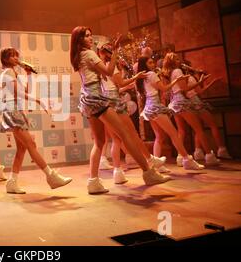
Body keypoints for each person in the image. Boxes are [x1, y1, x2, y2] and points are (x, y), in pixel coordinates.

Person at [70, 26, 170, 195]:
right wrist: (115, 52)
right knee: (124, 134)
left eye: (90, 35)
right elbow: (109, 71)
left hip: (87, 99)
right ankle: (148, 172)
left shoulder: (78, 55)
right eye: (86, 36)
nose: (90, 38)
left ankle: (93, 182)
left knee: (100, 142)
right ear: (79, 39)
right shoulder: (88, 54)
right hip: (96, 99)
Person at [0, 47, 72, 194]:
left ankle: (12, 182)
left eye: (16, 55)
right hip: (13, 111)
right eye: (11, 56)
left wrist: (29, 75)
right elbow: (17, 93)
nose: (15, 58)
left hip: (17, 110)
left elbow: (25, 91)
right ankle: (51, 176)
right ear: (5, 59)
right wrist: (37, 100)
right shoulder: (8, 72)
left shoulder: (14, 73)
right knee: (31, 144)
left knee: (22, 148)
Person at [97, 45, 167, 184]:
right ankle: (149, 160)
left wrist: (124, 86)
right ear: (109, 53)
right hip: (114, 101)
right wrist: (136, 77)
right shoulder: (110, 66)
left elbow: (115, 85)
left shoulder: (98, 67)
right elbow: (120, 82)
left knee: (117, 139)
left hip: (105, 101)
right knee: (132, 134)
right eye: (112, 51)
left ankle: (118, 171)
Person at [136, 56, 204, 170]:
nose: (153, 64)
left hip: (149, 107)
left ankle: (156, 165)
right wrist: (176, 80)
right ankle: (187, 159)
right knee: (173, 133)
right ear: (145, 64)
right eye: (150, 62)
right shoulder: (151, 75)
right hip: (155, 107)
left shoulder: (142, 77)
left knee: (159, 136)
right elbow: (164, 88)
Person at [162, 53, 219, 166]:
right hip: (182, 102)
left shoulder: (169, 73)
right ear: (173, 61)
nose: (179, 60)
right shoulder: (177, 71)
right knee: (198, 129)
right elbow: (184, 89)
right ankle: (209, 156)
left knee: (181, 131)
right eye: (177, 59)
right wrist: (199, 83)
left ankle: (180, 156)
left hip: (174, 103)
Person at [182, 61, 231, 160]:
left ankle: (198, 151)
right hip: (196, 102)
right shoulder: (190, 78)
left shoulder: (182, 79)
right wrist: (211, 82)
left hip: (188, 104)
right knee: (212, 124)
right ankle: (221, 149)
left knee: (198, 129)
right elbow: (200, 91)